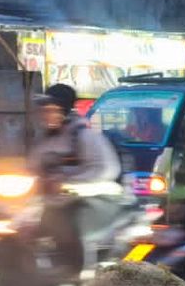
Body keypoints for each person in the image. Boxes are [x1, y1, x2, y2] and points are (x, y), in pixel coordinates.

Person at [29, 83, 123, 273]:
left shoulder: (84, 135)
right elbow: (32, 168)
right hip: (55, 200)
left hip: (93, 200)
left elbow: (107, 169)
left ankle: (79, 272)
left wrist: (69, 184)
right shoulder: (45, 139)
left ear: (63, 110)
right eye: (44, 110)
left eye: (52, 110)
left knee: (71, 222)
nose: (46, 115)